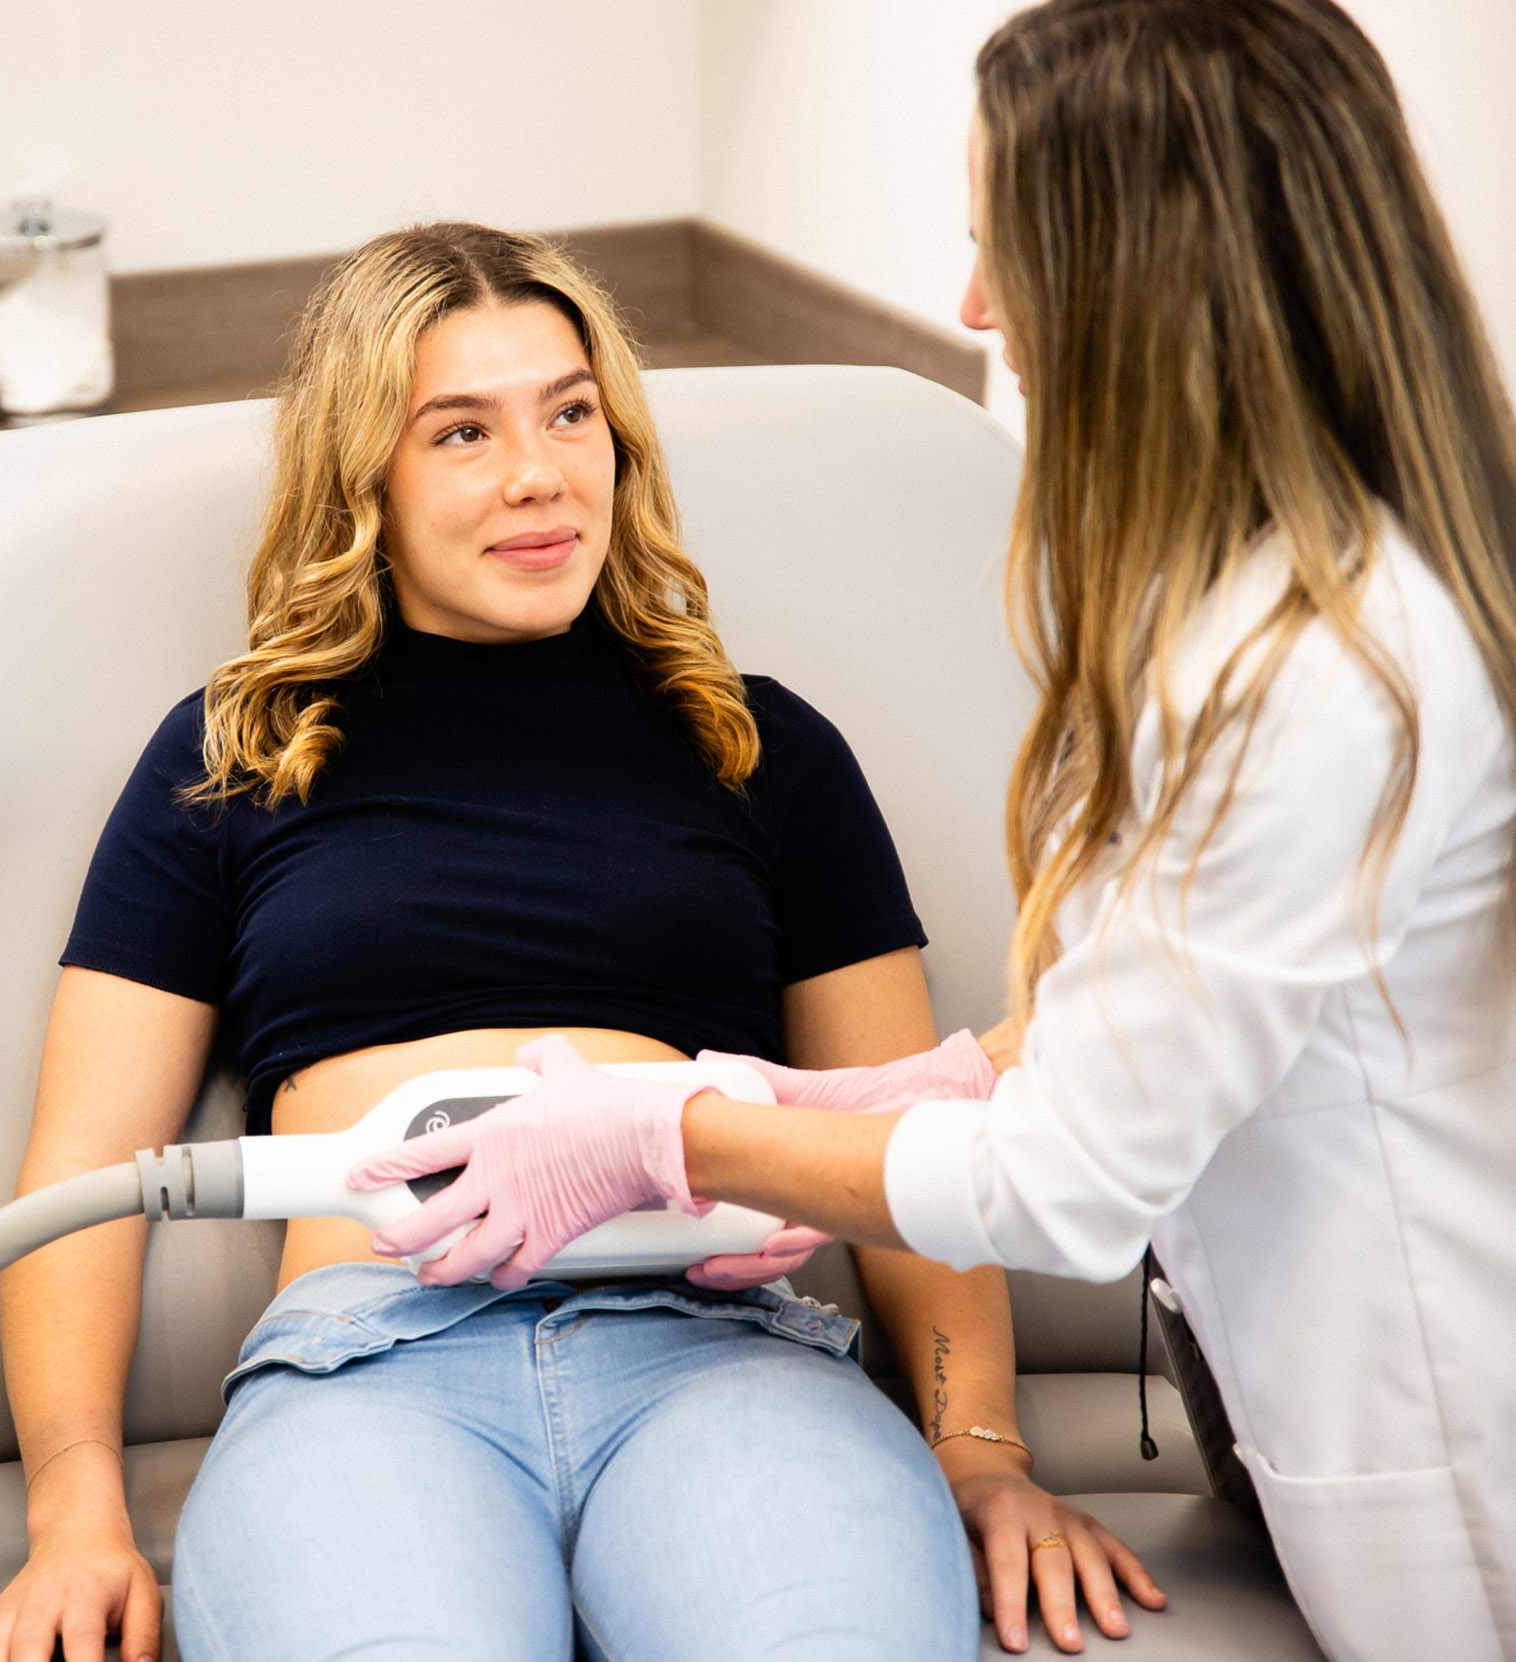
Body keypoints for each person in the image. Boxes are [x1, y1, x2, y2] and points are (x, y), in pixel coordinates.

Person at [360, 8, 1516, 1661]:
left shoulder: (1317, 674)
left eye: (999, 243)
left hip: (1445, 1429)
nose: (975, 302)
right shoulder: (1289, 593)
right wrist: (874, 1096)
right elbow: (1152, 1003)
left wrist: (680, 1132)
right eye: (458, 428)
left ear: (1141, 265)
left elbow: (1067, 1181)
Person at [0, 222, 1156, 1662]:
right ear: (365, 479)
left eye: (571, 411)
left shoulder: (761, 747)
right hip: (370, 1362)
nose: (541, 472)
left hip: (722, 1359)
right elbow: (83, 1170)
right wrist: (73, 1510)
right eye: (462, 430)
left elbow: (918, 1129)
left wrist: (980, 1448)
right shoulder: (235, 756)